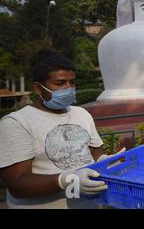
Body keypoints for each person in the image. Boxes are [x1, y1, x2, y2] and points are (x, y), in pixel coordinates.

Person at [0, 50, 119, 209]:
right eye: (60, 83)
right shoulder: (16, 123)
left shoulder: (81, 113)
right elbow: (17, 184)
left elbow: (96, 156)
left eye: (72, 82)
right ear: (37, 88)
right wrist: (66, 180)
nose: (69, 88)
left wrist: (108, 162)